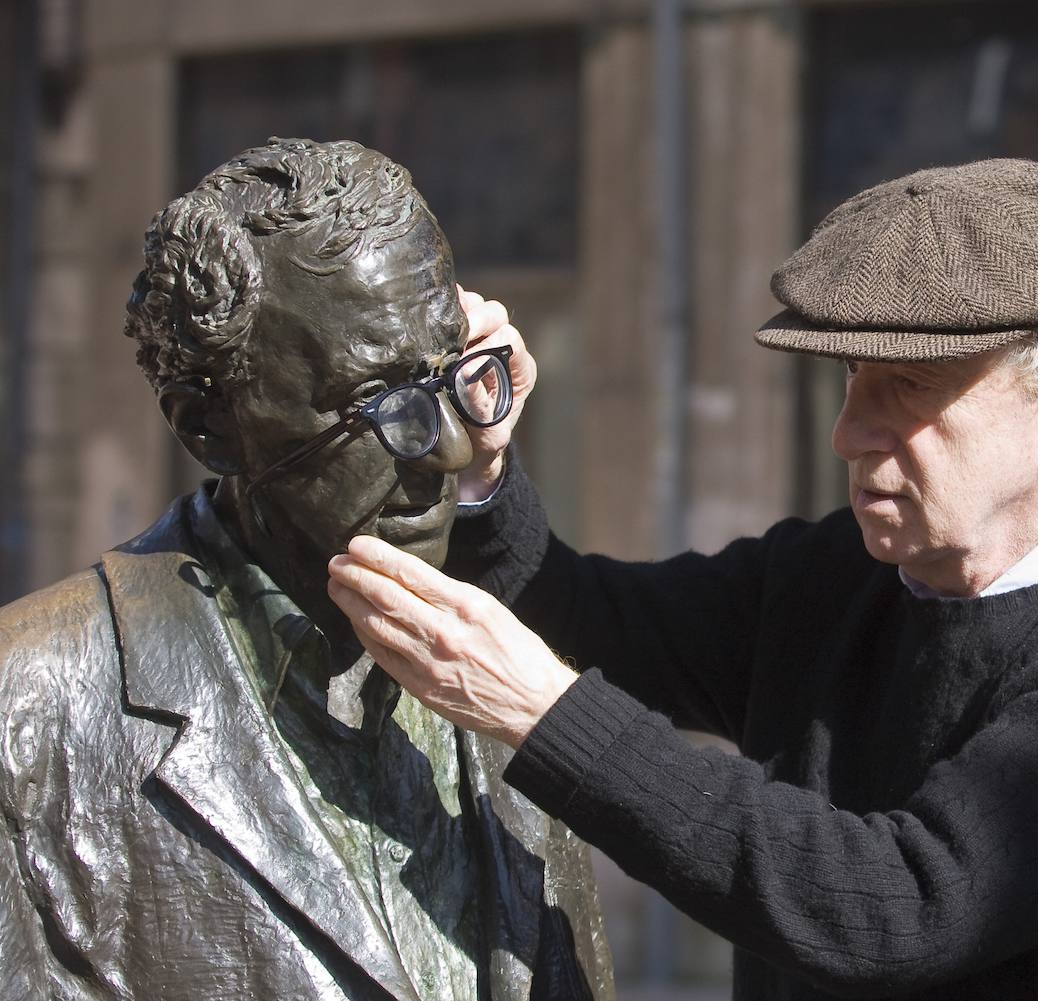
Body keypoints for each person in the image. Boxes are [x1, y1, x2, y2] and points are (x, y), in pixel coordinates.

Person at [328, 158, 1038, 1000]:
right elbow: (582, 618)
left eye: (907, 386)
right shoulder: (834, 572)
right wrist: (484, 463)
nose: (849, 431)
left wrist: (545, 715)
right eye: (852, 376)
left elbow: (901, 907)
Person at [0, 138, 612, 1001]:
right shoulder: (27, 713)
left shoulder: (500, 677)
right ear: (209, 427)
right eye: (381, 403)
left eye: (450, 378)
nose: (449, 448)